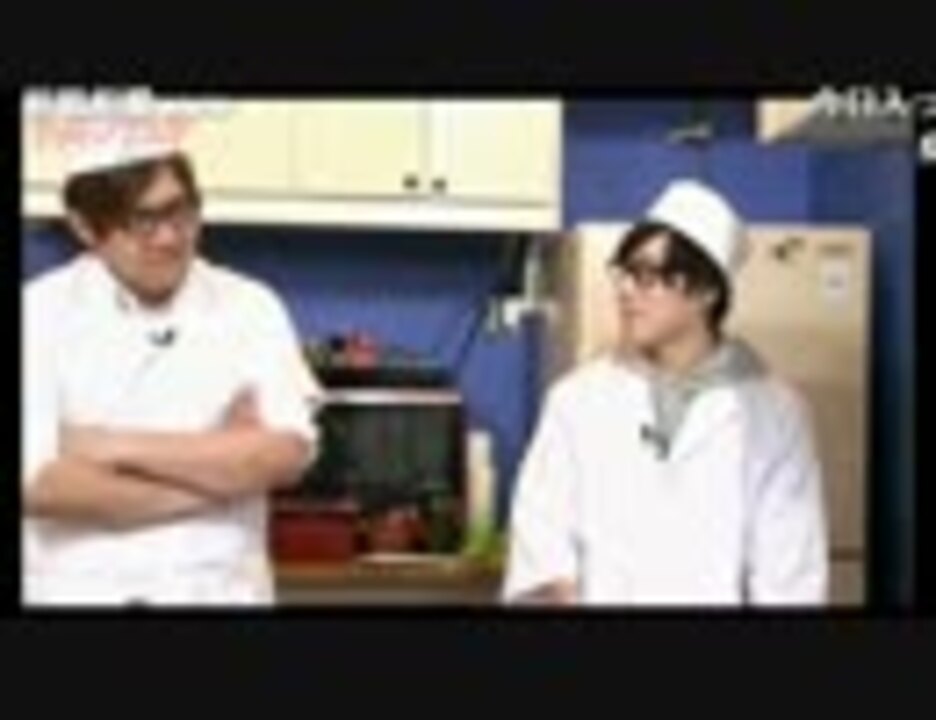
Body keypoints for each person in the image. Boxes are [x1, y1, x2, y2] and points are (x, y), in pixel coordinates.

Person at [22, 130, 322, 606]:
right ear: (84, 227)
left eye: (180, 211)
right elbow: (41, 486)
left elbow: (286, 453)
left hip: (220, 592)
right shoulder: (37, 312)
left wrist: (104, 446)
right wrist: (223, 480)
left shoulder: (251, 306)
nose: (169, 237)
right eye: (142, 221)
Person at [502, 179, 828, 606]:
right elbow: (540, 545)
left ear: (707, 292)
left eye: (647, 276)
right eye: (624, 271)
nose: (625, 290)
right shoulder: (576, 402)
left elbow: (790, 576)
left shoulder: (775, 415)